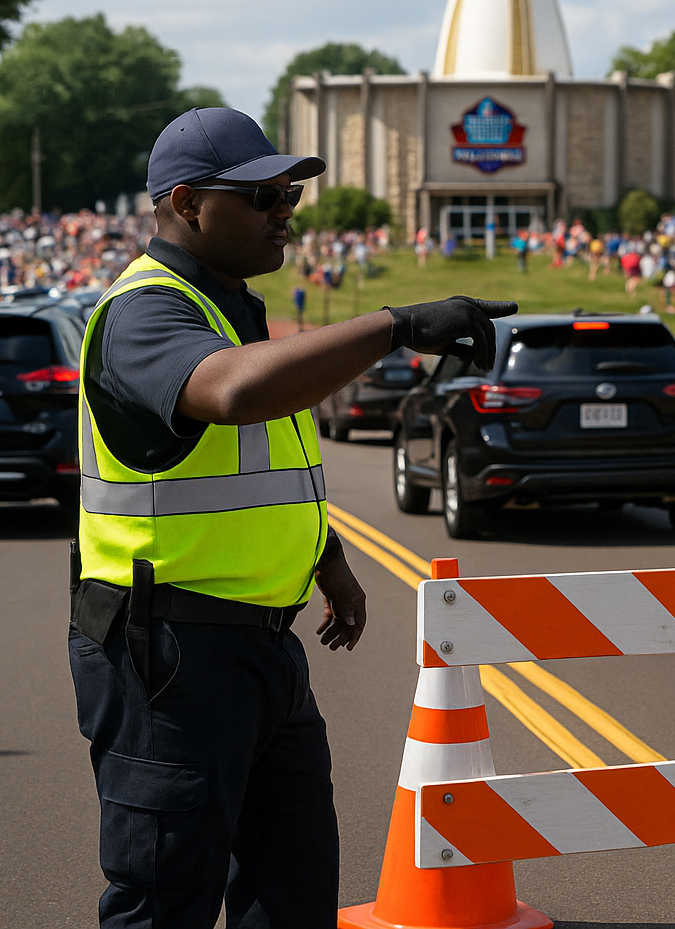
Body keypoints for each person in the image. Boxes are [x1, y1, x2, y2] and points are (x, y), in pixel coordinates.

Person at [67, 107, 516, 928]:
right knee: (166, 899)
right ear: (187, 203)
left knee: (293, 892)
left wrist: (327, 559)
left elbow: (262, 465)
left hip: (261, 647)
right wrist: (398, 325)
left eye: (290, 196)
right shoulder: (144, 309)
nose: (284, 213)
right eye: (262, 197)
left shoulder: (231, 309)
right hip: (170, 651)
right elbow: (235, 393)